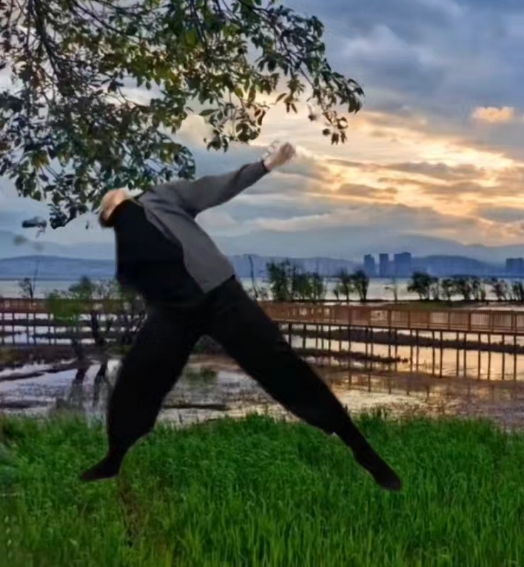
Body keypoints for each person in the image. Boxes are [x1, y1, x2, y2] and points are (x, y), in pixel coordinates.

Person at [82, 142, 402, 491]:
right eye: (108, 202)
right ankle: (115, 458)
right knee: (138, 376)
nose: (113, 194)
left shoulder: (159, 198)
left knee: (281, 365)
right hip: (173, 313)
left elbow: (215, 188)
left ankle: (361, 449)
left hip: (220, 296)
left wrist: (266, 165)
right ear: (107, 213)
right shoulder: (120, 232)